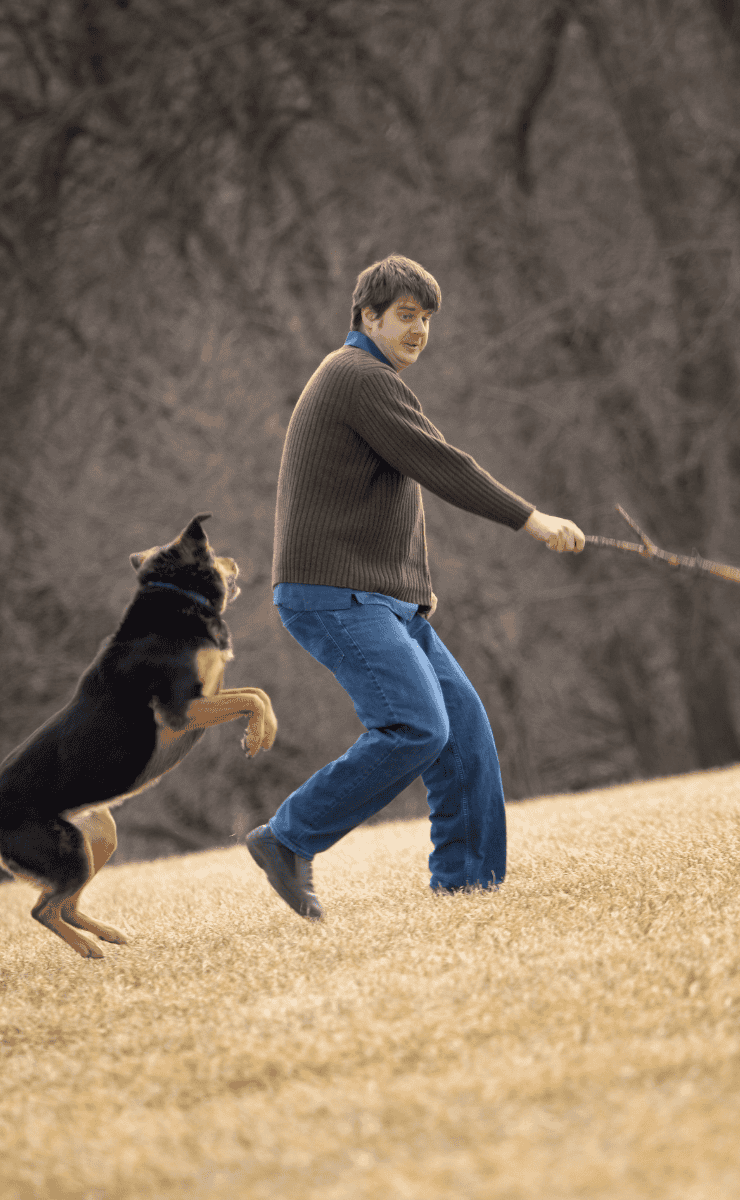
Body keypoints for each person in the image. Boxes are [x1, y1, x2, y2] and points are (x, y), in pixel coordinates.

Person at [246, 255, 583, 918]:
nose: (419, 330)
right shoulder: (357, 376)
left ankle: (468, 889)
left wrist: (414, 599)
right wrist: (532, 520)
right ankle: (287, 839)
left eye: (426, 319)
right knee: (415, 726)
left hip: (383, 603)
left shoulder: (369, 381)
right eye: (405, 316)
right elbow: (441, 464)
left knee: (464, 736)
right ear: (366, 317)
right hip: (335, 594)